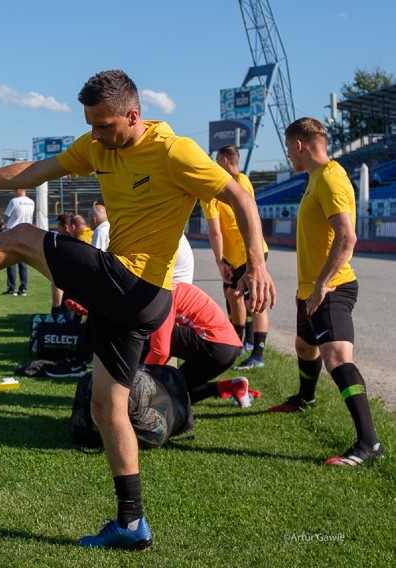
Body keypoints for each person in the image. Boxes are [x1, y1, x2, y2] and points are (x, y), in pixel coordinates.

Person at [0, 70, 275, 550]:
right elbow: (31, 172)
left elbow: (239, 195)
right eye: (90, 124)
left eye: (105, 125)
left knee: (23, 240)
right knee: (106, 406)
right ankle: (132, 524)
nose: (95, 135)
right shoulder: (97, 146)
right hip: (126, 299)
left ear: (133, 116)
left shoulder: (175, 151)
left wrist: (256, 263)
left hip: (139, 286)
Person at [270, 117, 383, 467]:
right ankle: (305, 398)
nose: (289, 155)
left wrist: (321, 285)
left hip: (331, 288)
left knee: (336, 358)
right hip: (310, 290)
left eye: (289, 148)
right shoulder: (314, 178)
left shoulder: (331, 178)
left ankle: (369, 443)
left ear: (300, 145)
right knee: (304, 345)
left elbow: (348, 237)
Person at [204, 144, 270, 369]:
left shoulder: (224, 187)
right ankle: (241, 342)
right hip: (236, 255)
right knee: (233, 296)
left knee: (253, 301)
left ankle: (256, 353)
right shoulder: (240, 182)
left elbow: (215, 232)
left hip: (249, 253)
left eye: (214, 161)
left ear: (223, 161)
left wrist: (219, 260)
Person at [142, 282, 249, 406]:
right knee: (174, 395)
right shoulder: (162, 288)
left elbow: (161, 351)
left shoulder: (160, 296)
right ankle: (231, 386)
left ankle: (136, 379)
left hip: (216, 344)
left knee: (148, 332)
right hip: (226, 348)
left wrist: (143, 380)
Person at [2, 188, 34, 297]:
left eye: (15, 189)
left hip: (13, 232)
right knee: (23, 262)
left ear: (20, 189)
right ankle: (23, 288)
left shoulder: (14, 201)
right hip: (26, 233)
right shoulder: (31, 202)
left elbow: (6, 216)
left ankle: (12, 288)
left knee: (11, 261)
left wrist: (2, 221)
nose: (14, 191)